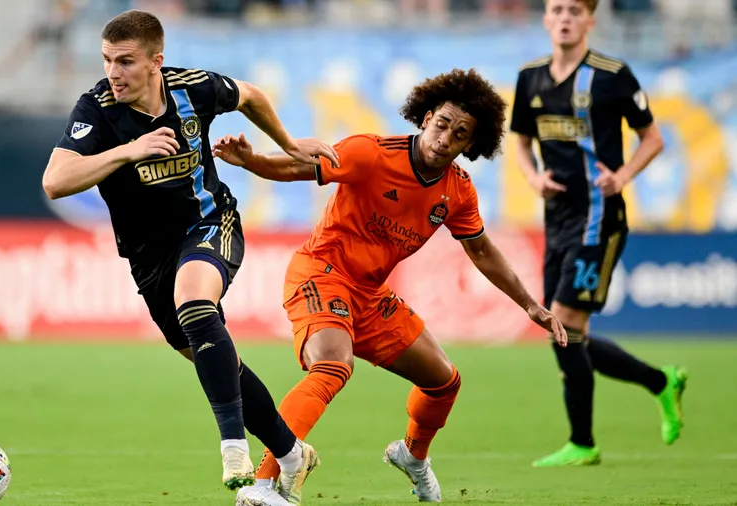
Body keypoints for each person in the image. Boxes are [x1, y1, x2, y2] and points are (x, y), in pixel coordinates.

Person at [213, 68, 568, 505]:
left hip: (369, 294)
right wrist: (252, 161)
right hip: (321, 272)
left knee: (443, 381)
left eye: (460, 135)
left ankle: (412, 456)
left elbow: (481, 251)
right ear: (426, 117)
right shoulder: (372, 153)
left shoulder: (457, 192)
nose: (445, 139)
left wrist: (530, 304)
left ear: (470, 145)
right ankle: (264, 483)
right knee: (333, 365)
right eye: (442, 124)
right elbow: (296, 166)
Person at [42, 10, 338, 491]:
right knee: (215, 358)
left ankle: (233, 448)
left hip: (210, 223)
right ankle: (291, 454)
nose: (113, 72)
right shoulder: (96, 108)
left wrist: (288, 144)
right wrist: (128, 150)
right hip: (149, 257)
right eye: (107, 60)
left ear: (156, 61)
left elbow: (250, 95)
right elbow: (55, 181)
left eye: (125, 61)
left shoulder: (193, 88)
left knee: (195, 302)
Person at [509, 0, 686, 467]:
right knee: (566, 331)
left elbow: (653, 137)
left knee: (563, 322)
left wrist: (622, 176)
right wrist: (532, 177)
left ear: (590, 20)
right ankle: (661, 382)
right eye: (557, 9)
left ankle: (583, 443)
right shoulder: (530, 77)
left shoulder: (612, 74)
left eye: (574, 10)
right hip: (557, 219)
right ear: (546, 19)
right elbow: (521, 142)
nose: (565, 17)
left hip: (600, 218)